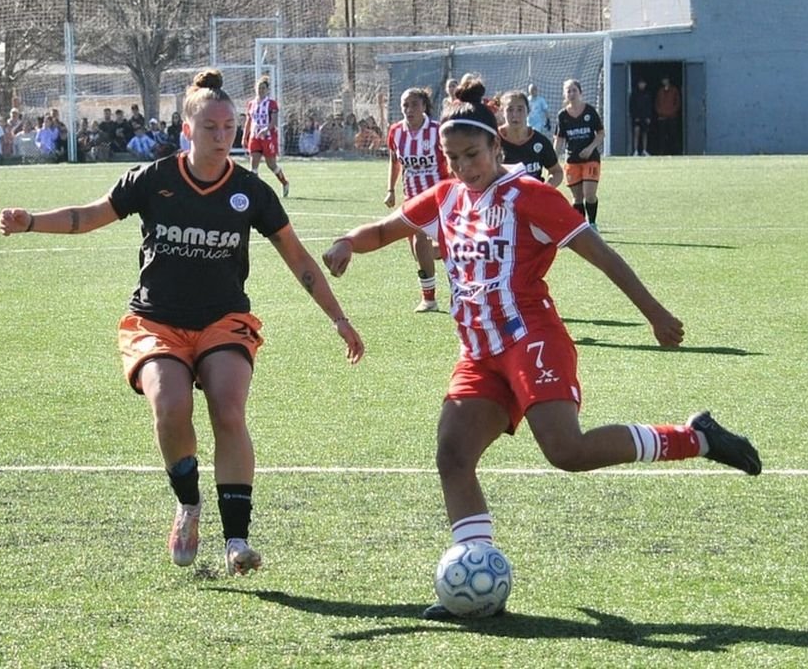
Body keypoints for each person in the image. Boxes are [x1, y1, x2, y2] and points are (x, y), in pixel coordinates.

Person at [321, 74, 761, 620]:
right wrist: (348, 242)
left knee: (566, 452)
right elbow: (387, 229)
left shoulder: (529, 195)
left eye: (473, 154)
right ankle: (475, 576)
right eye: (453, 157)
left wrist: (654, 313)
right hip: (479, 353)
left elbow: (601, 254)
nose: (463, 167)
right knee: (453, 455)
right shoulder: (447, 196)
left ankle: (693, 438)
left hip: (532, 337)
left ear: (495, 146)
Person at [0, 68, 365, 575]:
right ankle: (188, 505)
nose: (221, 137)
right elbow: (91, 215)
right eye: (210, 127)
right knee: (170, 407)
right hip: (157, 322)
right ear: (187, 130)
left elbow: (298, 259)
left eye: (229, 127)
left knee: (228, 408)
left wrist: (339, 319)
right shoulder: (155, 180)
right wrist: (32, 221)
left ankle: (237, 538)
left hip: (223, 320)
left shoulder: (251, 191)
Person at [385, 87, 449, 313]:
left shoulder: (437, 131)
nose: (408, 109)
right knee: (418, 251)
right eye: (405, 105)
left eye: (413, 104)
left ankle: (431, 299)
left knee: (423, 242)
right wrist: (390, 189)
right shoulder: (395, 132)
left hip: (439, 197)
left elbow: (452, 158)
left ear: (424, 106)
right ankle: (450, 252)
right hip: (412, 198)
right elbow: (395, 162)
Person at [554, 79, 605, 232]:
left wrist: (590, 148)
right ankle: (582, 228)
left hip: (591, 160)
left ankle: (593, 224)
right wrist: (552, 159)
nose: (571, 93)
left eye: (574, 90)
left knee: (589, 194)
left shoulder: (589, 111)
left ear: (580, 92)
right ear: (564, 94)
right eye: (568, 91)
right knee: (577, 198)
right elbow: (560, 139)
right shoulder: (562, 115)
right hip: (572, 161)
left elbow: (601, 134)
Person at [498, 90, 563, 188]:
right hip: (502, 199)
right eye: (510, 109)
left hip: (532, 199)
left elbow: (556, 172)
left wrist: (544, 189)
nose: (515, 115)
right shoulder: (492, 140)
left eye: (520, 109)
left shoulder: (540, 141)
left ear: (528, 111)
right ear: (502, 111)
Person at [242, 75, 290, 197]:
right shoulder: (251, 104)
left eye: (263, 88)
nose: (261, 90)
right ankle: (255, 192)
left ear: (267, 89)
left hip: (268, 137)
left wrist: (266, 129)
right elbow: (248, 121)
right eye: (259, 88)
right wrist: (245, 136)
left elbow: (274, 121)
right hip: (254, 136)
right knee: (253, 166)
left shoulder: (272, 103)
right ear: (255, 88)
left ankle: (284, 182)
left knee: (271, 165)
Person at [655, 76, 682, 155]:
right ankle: (662, 152)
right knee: (662, 136)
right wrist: (659, 111)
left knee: (673, 135)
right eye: (663, 80)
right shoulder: (660, 91)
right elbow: (656, 103)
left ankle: (675, 152)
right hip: (662, 117)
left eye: (665, 79)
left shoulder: (674, 90)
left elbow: (678, 102)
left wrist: (673, 111)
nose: (664, 81)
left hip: (672, 117)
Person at [630, 78, 654, 156]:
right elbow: (632, 106)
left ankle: (644, 150)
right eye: (640, 83)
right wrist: (635, 116)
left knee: (645, 133)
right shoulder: (634, 94)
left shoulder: (647, 94)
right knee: (636, 132)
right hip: (637, 117)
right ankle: (636, 150)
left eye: (643, 83)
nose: (642, 85)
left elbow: (649, 106)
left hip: (645, 117)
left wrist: (648, 117)